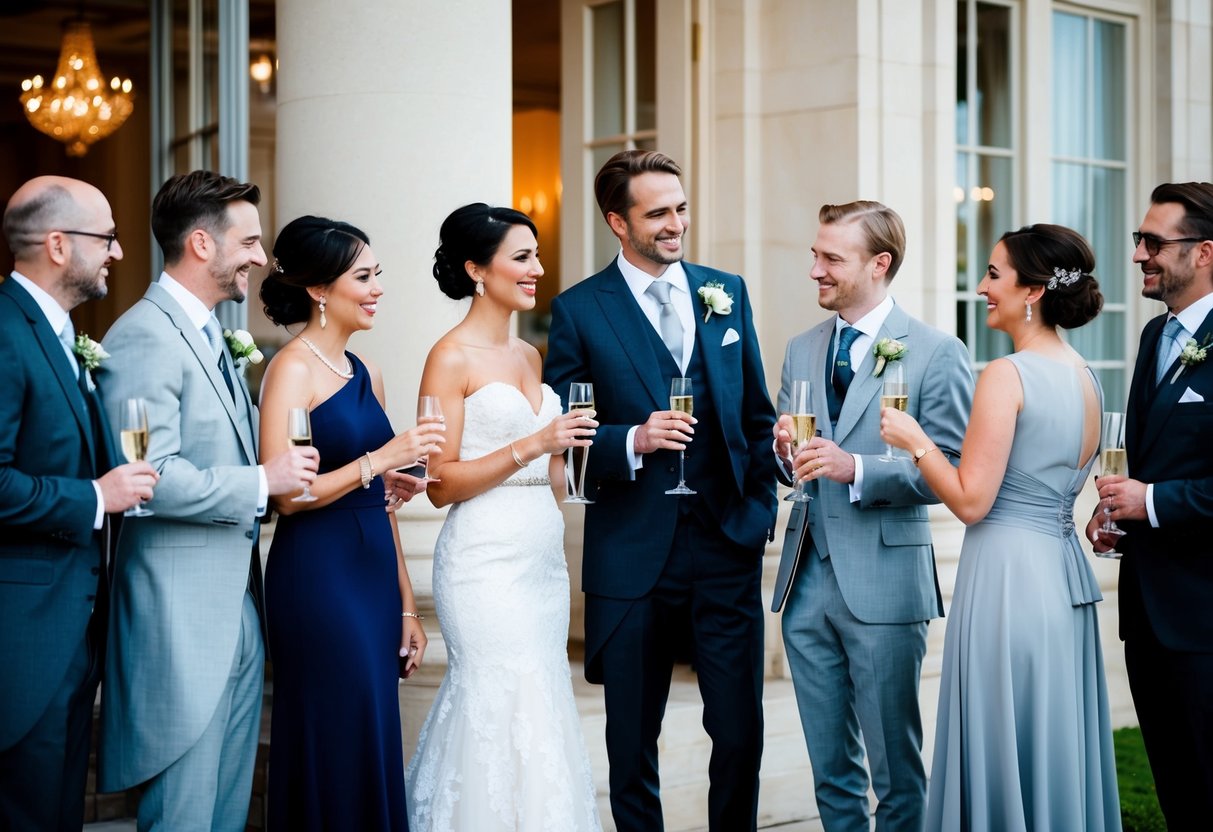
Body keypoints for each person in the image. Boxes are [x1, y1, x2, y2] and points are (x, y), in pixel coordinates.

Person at [544, 150, 778, 832]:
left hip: (726, 545)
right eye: (657, 213)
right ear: (618, 222)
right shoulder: (579, 311)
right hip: (631, 554)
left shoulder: (724, 290)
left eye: (680, 208)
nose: (675, 224)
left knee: (738, 736)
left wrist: (757, 510)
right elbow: (568, 431)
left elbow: (757, 415)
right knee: (630, 742)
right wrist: (631, 440)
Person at [96, 170, 318, 831]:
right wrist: (260, 483)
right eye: (248, 241)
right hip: (178, 617)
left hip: (235, 608)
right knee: (185, 816)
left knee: (223, 813)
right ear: (200, 244)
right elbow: (146, 472)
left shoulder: (210, 335)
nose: (259, 256)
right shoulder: (144, 335)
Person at [884, 224, 1120, 830]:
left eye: (994, 274)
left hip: (1008, 583)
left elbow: (970, 501)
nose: (983, 286)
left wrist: (915, 442)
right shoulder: (1086, 375)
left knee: (1002, 729)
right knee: (1051, 735)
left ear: (1033, 290)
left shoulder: (1006, 374)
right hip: (1061, 581)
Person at [771, 200, 972, 832]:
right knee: (831, 769)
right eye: (815, 254)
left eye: (832, 258)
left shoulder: (938, 352)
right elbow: (788, 464)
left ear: (879, 264)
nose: (815, 270)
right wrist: (781, 455)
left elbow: (952, 470)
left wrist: (855, 469)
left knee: (895, 766)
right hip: (805, 584)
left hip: (885, 585)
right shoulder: (801, 349)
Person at [406, 203, 601, 831]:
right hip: (483, 566)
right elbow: (438, 484)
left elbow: (545, 473)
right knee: (495, 700)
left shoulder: (530, 356)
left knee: (540, 705)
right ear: (475, 269)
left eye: (536, 255)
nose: (538, 269)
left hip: (540, 562)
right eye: (522, 257)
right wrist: (535, 444)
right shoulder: (448, 358)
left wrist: (572, 463)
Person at [258, 215, 442, 830]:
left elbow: (381, 501)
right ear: (318, 289)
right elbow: (289, 494)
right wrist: (380, 459)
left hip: (370, 574)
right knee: (333, 727)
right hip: (318, 575)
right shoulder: (291, 369)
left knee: (373, 722)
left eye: (376, 276)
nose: (376, 289)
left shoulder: (367, 372)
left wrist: (407, 606)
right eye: (362, 277)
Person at [0, 176, 157, 830]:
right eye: (109, 238)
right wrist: (94, 496)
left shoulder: (60, 335)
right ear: (59, 245)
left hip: (70, 627)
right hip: (22, 635)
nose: (118, 253)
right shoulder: (7, 332)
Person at [1089, 182, 1213, 827]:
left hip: (1205, 617)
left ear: (1205, 253)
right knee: (1177, 791)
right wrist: (1118, 512)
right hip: (1148, 611)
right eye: (1140, 240)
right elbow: (1152, 459)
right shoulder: (1152, 337)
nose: (1139, 253)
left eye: (1154, 242)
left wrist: (1153, 501)